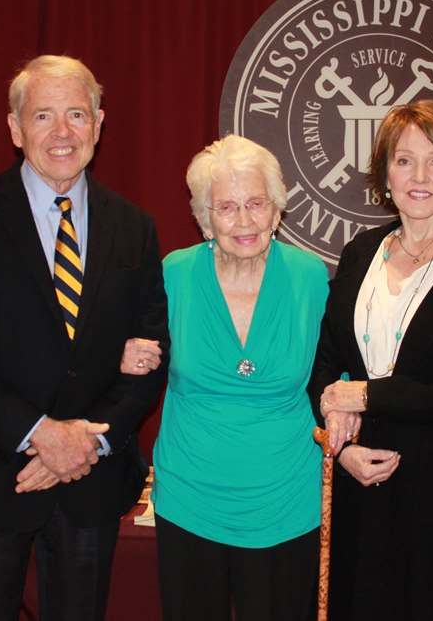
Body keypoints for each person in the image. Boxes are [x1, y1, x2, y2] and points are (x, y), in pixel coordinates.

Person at [0, 54, 168, 620]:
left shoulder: (134, 227)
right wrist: (39, 435)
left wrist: (85, 444)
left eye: (76, 114)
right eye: (43, 116)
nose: (62, 133)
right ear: (14, 127)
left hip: (90, 482)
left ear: (100, 124)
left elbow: (150, 354)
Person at [310, 100, 433, 619]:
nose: (419, 176)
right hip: (360, 487)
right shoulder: (361, 252)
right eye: (404, 160)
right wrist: (341, 449)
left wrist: (371, 394)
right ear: (385, 176)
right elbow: (325, 369)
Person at [143, 135, 328, 621]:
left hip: (287, 496)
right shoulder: (174, 273)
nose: (243, 221)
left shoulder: (311, 276)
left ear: (277, 209)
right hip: (189, 495)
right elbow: (130, 352)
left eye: (255, 204)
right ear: (205, 217)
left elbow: (336, 373)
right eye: (226, 207)